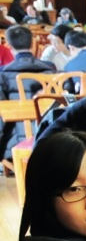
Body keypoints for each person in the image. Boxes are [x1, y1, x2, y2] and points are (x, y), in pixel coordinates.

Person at [0, 25, 55, 159]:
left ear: (9, 46)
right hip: (50, 139)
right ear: (32, 43)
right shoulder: (51, 71)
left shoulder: (3, 75)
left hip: (14, 145)